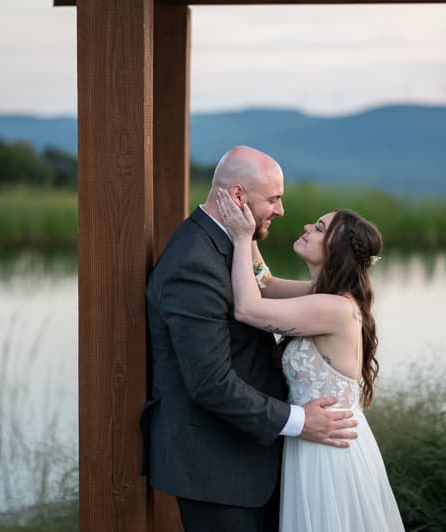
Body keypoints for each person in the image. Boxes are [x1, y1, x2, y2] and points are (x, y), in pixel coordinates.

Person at [142, 146, 359, 532]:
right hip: (217, 471)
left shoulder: (227, 245)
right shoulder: (195, 262)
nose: (281, 211)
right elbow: (210, 382)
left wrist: (337, 290)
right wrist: (300, 422)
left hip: (253, 460)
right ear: (239, 197)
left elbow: (264, 286)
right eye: (274, 199)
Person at [216, 189, 406, 531]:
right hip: (314, 439)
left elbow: (247, 307)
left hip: (330, 451)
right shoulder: (322, 295)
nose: (306, 226)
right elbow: (265, 283)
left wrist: (242, 239)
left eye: (319, 228)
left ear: (335, 249)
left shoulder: (333, 308)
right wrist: (252, 223)